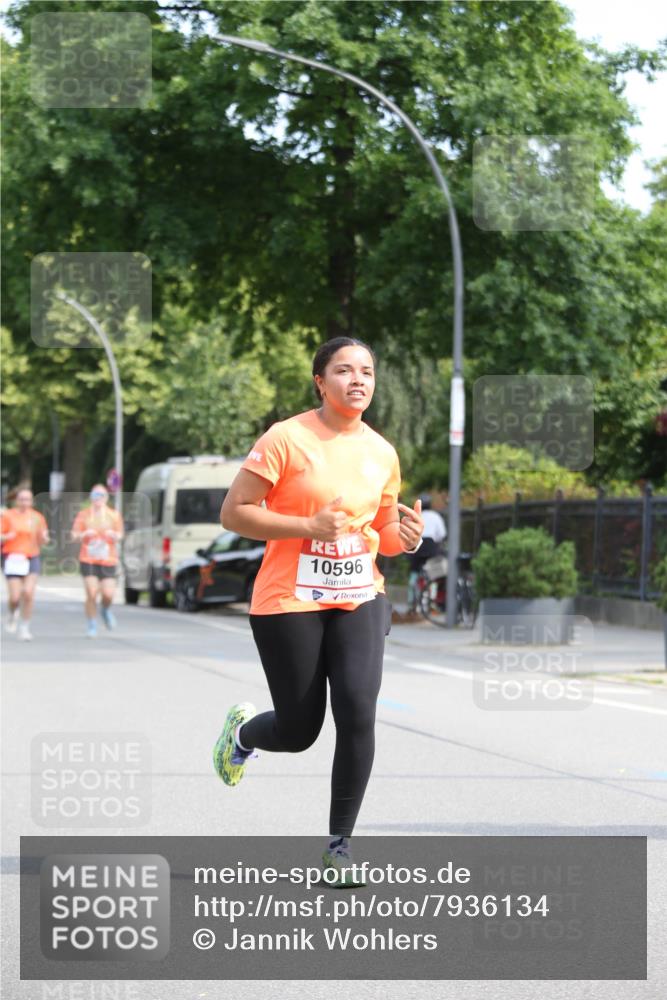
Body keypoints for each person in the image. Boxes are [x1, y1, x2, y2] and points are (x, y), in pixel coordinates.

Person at [213, 337, 424, 886]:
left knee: (357, 708)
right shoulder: (286, 438)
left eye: (368, 372)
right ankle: (242, 737)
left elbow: (383, 532)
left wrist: (406, 537)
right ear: (320, 382)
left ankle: (339, 846)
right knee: (301, 728)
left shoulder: (382, 452)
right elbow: (234, 513)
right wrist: (308, 527)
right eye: (345, 370)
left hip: (360, 594)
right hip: (289, 598)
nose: (359, 380)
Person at [71, 485, 123, 638]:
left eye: (101, 495)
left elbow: (120, 534)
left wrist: (114, 535)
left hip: (108, 559)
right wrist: (84, 534)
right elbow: (74, 535)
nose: (98, 498)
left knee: (108, 594)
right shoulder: (83, 515)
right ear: (91, 497)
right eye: (95, 495)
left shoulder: (114, 515)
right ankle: (92, 624)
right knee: (92, 593)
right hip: (89, 559)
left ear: (107, 498)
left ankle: (105, 610)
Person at [1, 486, 50, 641]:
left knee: (28, 593)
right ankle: (12, 612)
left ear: (32, 501)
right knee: (15, 597)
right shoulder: (8, 516)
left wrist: (44, 539)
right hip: (12, 557)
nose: (24, 502)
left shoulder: (37, 517)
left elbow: (44, 538)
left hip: (31, 557)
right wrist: (7, 536)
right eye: (21, 499)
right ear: (16, 500)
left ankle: (24, 628)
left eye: (27, 499)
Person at [406, 493, 447, 615]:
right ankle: (432, 602)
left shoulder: (416, 516)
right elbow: (442, 535)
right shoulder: (436, 516)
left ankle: (411, 603)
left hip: (417, 547)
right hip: (431, 547)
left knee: (414, 574)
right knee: (434, 575)